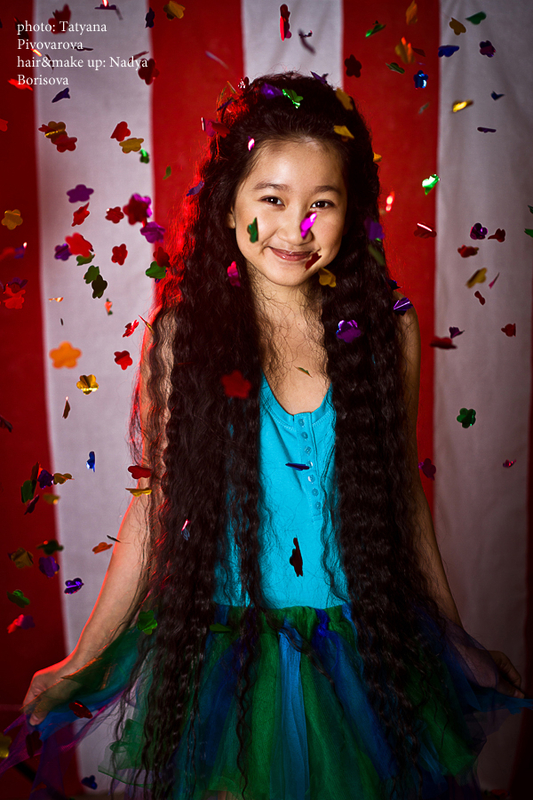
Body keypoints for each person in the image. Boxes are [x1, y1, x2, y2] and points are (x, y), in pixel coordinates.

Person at [2, 71, 531, 800]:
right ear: (229, 204)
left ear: (352, 211)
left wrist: (453, 635)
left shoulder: (388, 328)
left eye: (322, 204)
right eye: (273, 200)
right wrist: (80, 661)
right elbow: (156, 506)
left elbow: (401, 497)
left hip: (367, 647)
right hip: (236, 656)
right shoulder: (182, 336)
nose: (296, 229)